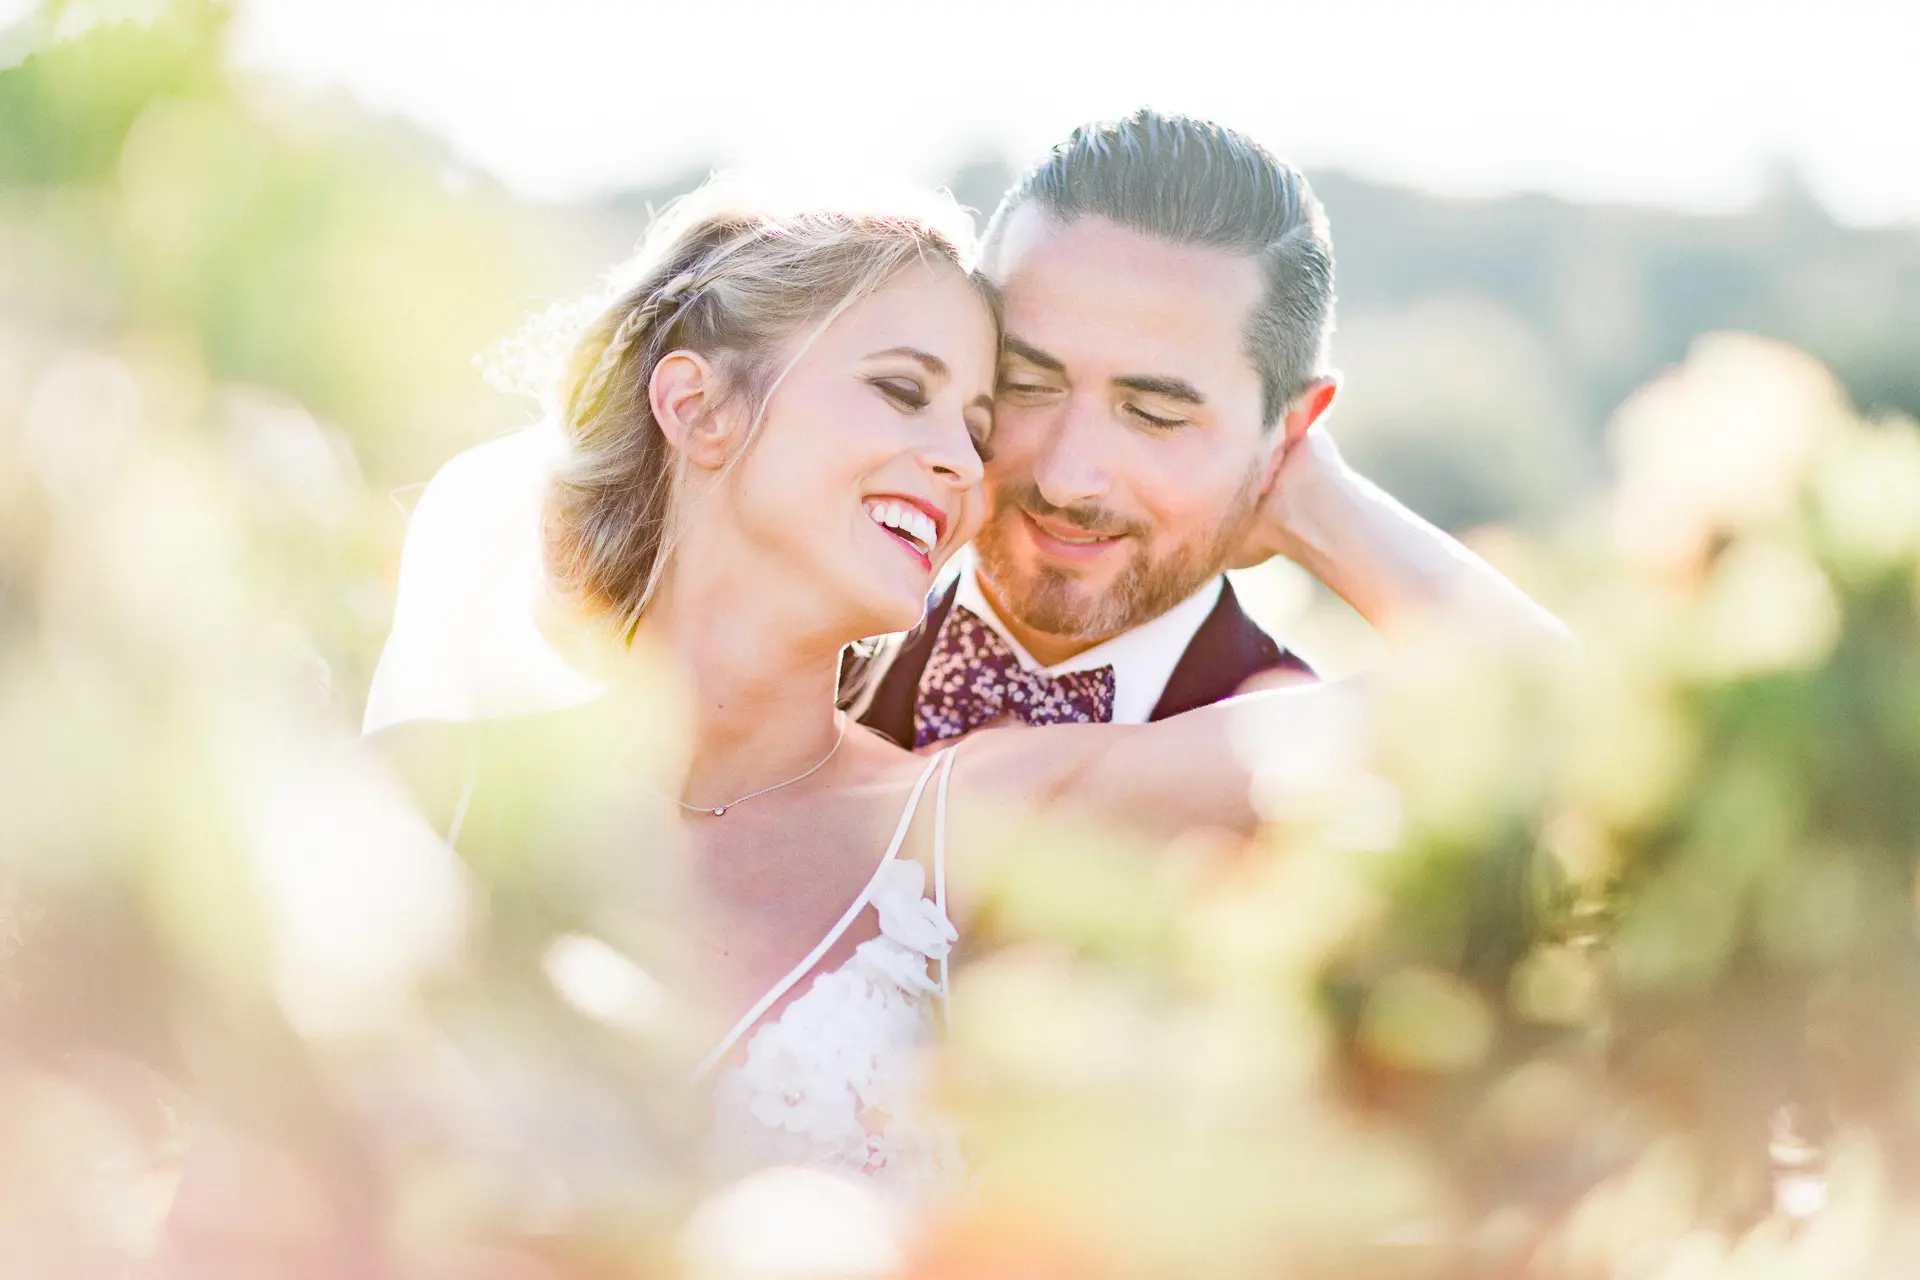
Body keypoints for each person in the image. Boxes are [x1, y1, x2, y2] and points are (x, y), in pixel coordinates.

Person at [365, 159, 1565, 1199]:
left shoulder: (969, 816)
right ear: (697, 402)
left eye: (980, 419)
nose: (962, 461)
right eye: (904, 389)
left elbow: (1553, 718)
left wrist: (1305, 489)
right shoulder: (433, 787)